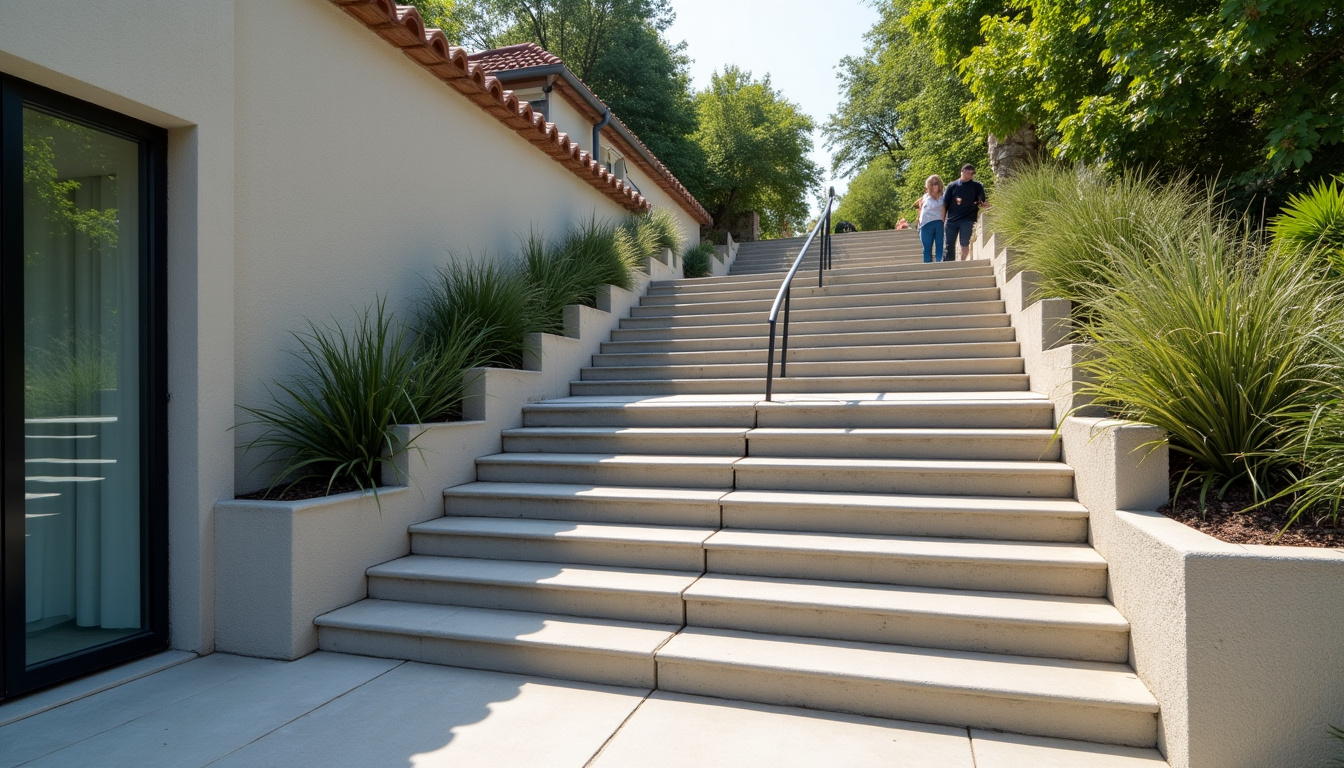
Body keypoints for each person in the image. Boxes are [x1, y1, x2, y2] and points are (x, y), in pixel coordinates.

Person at [942, 163, 988, 261]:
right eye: (968, 173)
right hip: (951, 220)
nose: (970, 175)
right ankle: (949, 266)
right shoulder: (952, 186)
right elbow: (944, 204)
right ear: (962, 172)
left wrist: (984, 203)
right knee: (949, 245)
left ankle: (962, 263)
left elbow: (983, 200)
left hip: (967, 219)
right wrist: (942, 220)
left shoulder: (977, 186)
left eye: (972, 174)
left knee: (964, 243)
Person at [915, 175, 947, 263]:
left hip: (939, 223)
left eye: (936, 183)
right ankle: (927, 266)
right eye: (932, 184)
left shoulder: (944, 197)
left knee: (939, 245)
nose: (934, 185)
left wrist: (943, 223)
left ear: (940, 185)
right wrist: (918, 223)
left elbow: (944, 210)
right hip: (925, 224)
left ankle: (939, 263)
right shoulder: (925, 197)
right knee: (927, 247)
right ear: (928, 186)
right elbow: (920, 210)